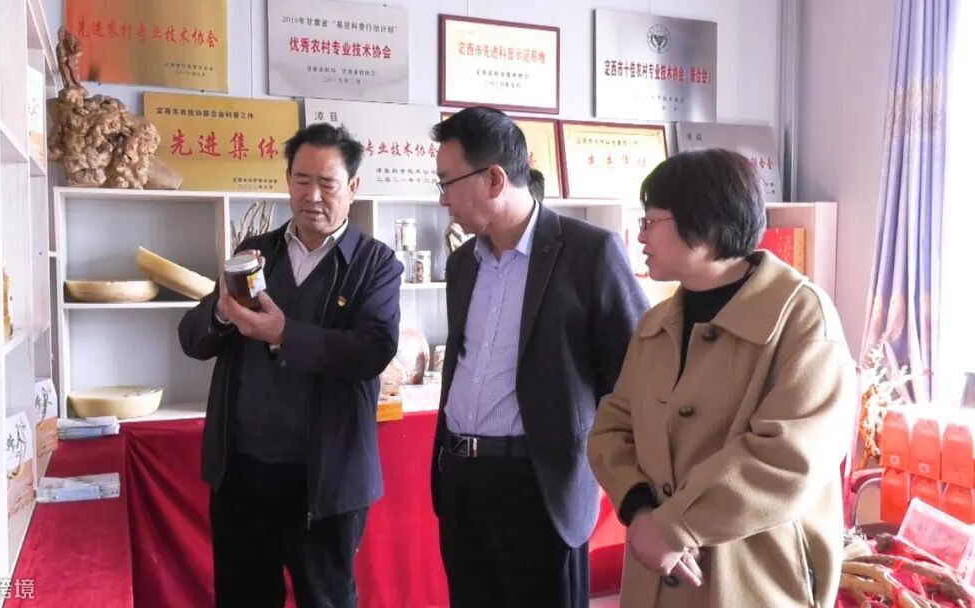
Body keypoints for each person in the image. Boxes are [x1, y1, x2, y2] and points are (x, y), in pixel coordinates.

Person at [588, 148, 854, 608]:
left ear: (705, 223)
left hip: (755, 579)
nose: (641, 235)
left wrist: (674, 527)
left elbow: (790, 457)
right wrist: (641, 511)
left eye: (652, 221)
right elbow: (612, 429)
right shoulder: (656, 324)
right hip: (656, 580)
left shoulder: (801, 317)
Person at [430, 106, 649, 607]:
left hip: (540, 484)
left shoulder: (588, 252)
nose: (442, 199)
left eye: (447, 182)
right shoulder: (463, 263)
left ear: (493, 179)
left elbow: (636, 373)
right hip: (462, 480)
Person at [178, 123, 403, 608]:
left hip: (325, 482)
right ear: (287, 180)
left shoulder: (376, 264)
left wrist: (283, 334)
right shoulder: (255, 253)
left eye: (327, 183)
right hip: (242, 474)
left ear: (353, 187)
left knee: (325, 599)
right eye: (302, 180)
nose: (312, 196)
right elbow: (192, 339)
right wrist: (223, 311)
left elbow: (371, 352)